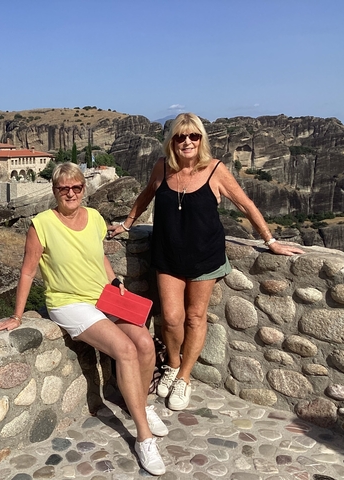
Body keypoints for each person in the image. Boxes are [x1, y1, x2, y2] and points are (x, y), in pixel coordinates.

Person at [108, 113, 305, 411]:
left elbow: (245, 204)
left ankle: (184, 378)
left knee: (194, 317)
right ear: (171, 141)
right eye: (180, 137)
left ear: (201, 139)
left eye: (193, 136)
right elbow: (146, 195)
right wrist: (127, 223)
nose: (187, 142)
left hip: (205, 257)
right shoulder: (161, 167)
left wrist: (270, 241)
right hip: (168, 255)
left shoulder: (215, 170)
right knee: (171, 318)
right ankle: (173, 365)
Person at [0, 162, 167, 476]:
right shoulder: (41, 224)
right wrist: (18, 315)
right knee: (125, 349)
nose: (70, 193)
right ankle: (143, 437)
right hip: (69, 303)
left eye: (76, 187)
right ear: (55, 191)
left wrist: (115, 284)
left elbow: (99, 257)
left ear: (84, 188)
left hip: (104, 295)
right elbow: (28, 270)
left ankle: (141, 404)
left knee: (144, 343)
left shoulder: (95, 217)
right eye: (63, 189)